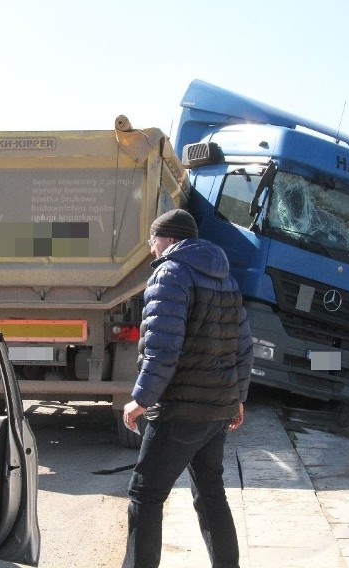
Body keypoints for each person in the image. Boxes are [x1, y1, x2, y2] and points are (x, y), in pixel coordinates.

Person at [121, 209, 253, 568]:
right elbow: (243, 344)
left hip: (181, 408)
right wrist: (238, 397)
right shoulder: (225, 278)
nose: (151, 249)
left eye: (152, 240)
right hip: (216, 408)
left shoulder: (171, 273)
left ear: (169, 238)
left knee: (145, 495)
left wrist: (141, 398)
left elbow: (163, 347)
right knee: (211, 494)